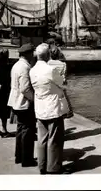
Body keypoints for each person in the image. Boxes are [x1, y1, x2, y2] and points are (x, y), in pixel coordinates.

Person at [30, 43, 69, 174]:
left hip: (39, 107)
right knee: (55, 139)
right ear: (48, 55)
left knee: (42, 138)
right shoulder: (50, 70)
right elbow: (63, 84)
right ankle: (54, 167)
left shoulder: (32, 70)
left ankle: (42, 165)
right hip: (53, 107)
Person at [7, 43, 37, 167]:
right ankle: (27, 159)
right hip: (24, 102)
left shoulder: (16, 65)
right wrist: (33, 99)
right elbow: (25, 88)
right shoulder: (25, 67)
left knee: (20, 129)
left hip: (15, 102)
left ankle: (18, 156)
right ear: (28, 54)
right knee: (28, 131)